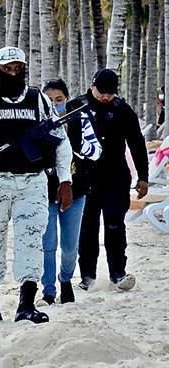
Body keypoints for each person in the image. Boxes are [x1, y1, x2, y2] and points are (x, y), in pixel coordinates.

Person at [0, 46, 73, 324]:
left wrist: (65, 180)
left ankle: (27, 305)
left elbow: (61, 142)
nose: (12, 72)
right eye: (7, 68)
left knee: (31, 240)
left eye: (17, 67)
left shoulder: (39, 100)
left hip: (31, 182)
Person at [74, 68, 149, 292]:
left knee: (115, 227)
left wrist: (143, 177)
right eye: (101, 92)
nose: (106, 96)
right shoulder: (77, 108)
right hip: (86, 178)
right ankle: (87, 276)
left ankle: (118, 273)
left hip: (116, 178)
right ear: (92, 86)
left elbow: (137, 143)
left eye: (110, 92)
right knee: (87, 229)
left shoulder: (122, 109)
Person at [40, 79, 101, 305]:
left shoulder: (80, 118)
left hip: (76, 190)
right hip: (44, 191)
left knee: (69, 245)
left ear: (66, 99)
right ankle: (48, 289)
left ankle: (65, 279)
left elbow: (95, 150)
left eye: (59, 100)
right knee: (48, 244)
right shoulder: (36, 121)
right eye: (50, 100)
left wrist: (71, 144)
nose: (55, 104)